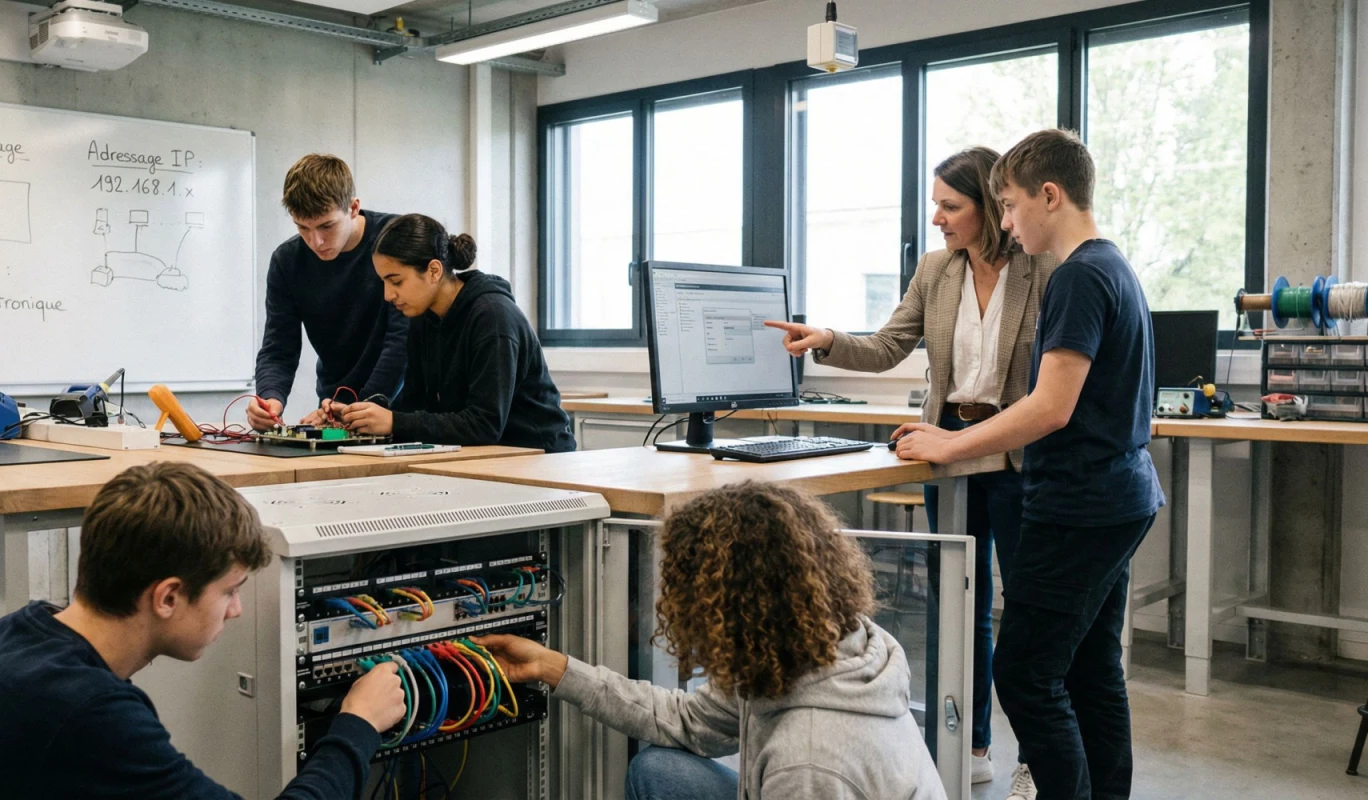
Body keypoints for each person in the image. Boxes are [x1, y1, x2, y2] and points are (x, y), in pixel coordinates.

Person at [767, 145, 1058, 788]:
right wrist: (827, 341)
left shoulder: (1043, 268)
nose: (937, 218)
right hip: (947, 438)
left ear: (989, 207)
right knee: (961, 598)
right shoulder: (936, 269)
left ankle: (1037, 757)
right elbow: (891, 343)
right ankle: (971, 748)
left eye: (950, 206)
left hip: (1014, 447)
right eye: (936, 206)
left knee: (1028, 607)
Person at [0, 462, 407, 799]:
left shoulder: (23, 632)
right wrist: (355, 725)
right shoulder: (87, 711)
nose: (237, 609)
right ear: (167, 597)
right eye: (230, 590)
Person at [891, 129, 1164, 800]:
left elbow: (1050, 406)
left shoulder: (1075, 277)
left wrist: (949, 444)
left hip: (1080, 502)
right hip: (1120, 496)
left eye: (1009, 206)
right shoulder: (1114, 267)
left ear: (1049, 195)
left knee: (1025, 674)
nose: (1005, 223)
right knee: (1090, 669)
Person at [475, 481, 945, 800]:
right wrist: (551, 667)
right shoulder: (822, 646)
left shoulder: (806, 763)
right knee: (659, 770)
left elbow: (804, 770)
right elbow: (687, 721)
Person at [337, 213, 576, 453]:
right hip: (484, 457)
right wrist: (361, 417)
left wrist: (393, 421)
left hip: (539, 457)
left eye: (396, 281)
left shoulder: (493, 317)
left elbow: (484, 425)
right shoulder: (422, 318)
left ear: (433, 271)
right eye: (384, 283)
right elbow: (415, 409)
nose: (388, 295)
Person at [249, 154, 407, 431]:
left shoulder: (397, 240)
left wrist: (358, 407)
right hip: (336, 410)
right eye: (303, 228)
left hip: (404, 411)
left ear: (354, 207)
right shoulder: (287, 261)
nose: (316, 241)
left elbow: (402, 342)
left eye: (326, 226)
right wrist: (270, 398)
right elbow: (278, 348)